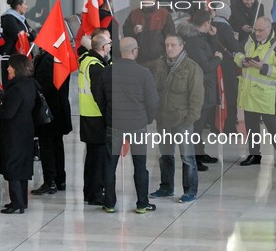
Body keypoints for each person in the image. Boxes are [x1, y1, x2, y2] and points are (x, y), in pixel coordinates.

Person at [94, 37, 159, 213]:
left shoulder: (107, 72)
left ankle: (109, 203)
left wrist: (107, 115)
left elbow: (98, 97)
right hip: (137, 124)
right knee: (140, 166)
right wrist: (148, 119)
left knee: (110, 164)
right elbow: (153, 101)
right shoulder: (144, 73)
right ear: (134, 51)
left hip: (114, 124)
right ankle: (142, 204)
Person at [150, 35, 203, 203]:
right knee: (165, 155)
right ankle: (166, 187)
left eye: (173, 45)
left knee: (187, 157)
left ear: (182, 46)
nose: (169, 48)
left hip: (182, 120)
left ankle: (190, 191)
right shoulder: (160, 65)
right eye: (167, 45)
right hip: (163, 119)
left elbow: (197, 96)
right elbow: (154, 89)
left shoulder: (192, 68)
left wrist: (190, 119)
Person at [234, 17, 276, 168]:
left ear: (269, 28)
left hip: (264, 95)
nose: (257, 33)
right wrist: (242, 60)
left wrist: (263, 68)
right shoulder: (249, 40)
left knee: (273, 127)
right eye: (255, 30)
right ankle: (254, 154)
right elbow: (236, 53)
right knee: (251, 127)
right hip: (248, 92)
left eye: (260, 30)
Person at [177, 10, 222, 169]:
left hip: (206, 87)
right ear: (206, 23)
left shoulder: (200, 37)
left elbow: (211, 51)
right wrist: (218, 59)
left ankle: (200, 152)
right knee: (196, 125)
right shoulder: (195, 41)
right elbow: (206, 65)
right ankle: (193, 158)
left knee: (200, 124)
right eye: (210, 22)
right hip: (200, 88)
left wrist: (213, 36)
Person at [0, 55, 37, 214]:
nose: (7, 69)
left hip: (14, 133)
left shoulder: (17, 88)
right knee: (22, 167)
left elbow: (8, 113)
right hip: (26, 130)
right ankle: (22, 201)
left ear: (17, 68)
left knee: (12, 167)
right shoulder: (30, 84)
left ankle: (16, 203)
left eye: (10, 66)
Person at [31, 50, 72, 194]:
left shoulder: (48, 60)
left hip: (49, 111)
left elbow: (45, 86)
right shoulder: (61, 56)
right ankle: (60, 179)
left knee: (47, 146)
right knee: (57, 145)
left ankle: (50, 181)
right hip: (59, 109)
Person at [78, 31, 112, 205]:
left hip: (87, 115)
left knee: (91, 158)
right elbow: (100, 95)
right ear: (104, 47)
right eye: (109, 45)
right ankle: (96, 194)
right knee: (98, 159)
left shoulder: (86, 60)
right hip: (97, 117)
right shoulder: (97, 67)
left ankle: (89, 192)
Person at [122, 0, 175, 70]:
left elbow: (171, 36)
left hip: (158, 60)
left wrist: (167, 57)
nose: (145, 0)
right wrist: (134, 31)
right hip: (138, 60)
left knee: (157, 83)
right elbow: (125, 32)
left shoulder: (164, 14)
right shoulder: (134, 14)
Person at [210, 5, 243, 134]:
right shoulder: (225, 27)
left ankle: (215, 126)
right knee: (229, 95)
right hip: (226, 67)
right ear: (228, 15)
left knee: (215, 95)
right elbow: (234, 46)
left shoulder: (210, 25)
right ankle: (229, 127)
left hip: (212, 65)